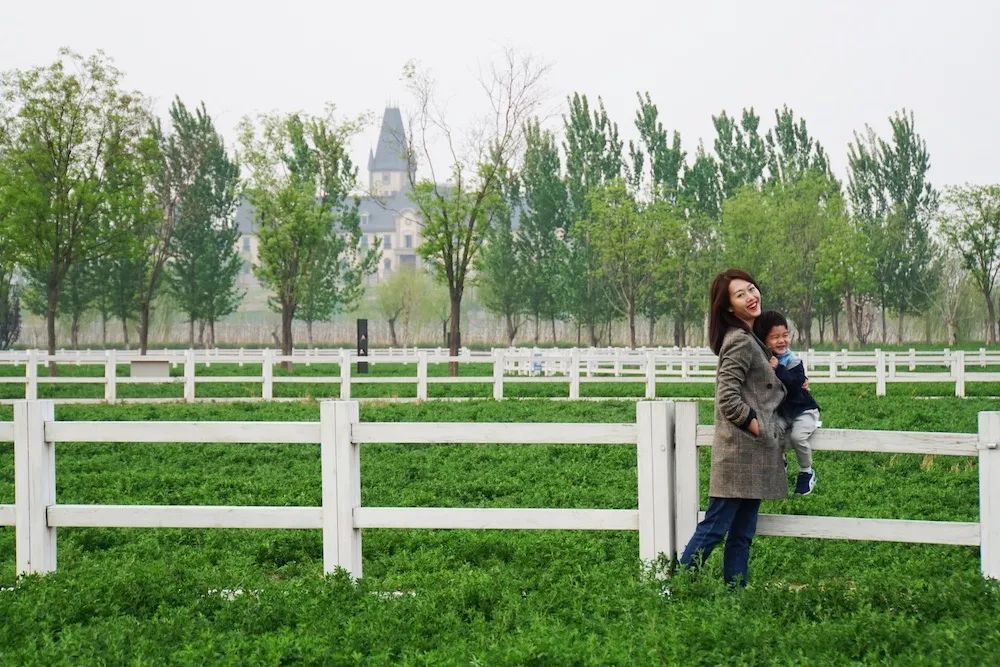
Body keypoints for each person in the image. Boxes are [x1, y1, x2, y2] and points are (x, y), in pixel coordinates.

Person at [678, 269, 787, 588]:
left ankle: (734, 597)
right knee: (714, 528)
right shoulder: (739, 341)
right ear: (728, 307)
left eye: (752, 289)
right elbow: (727, 398)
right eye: (740, 294)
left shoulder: (751, 338)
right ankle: (673, 589)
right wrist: (758, 428)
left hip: (751, 456)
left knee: (741, 534)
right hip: (740, 453)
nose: (751, 296)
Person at [753, 310, 820, 496]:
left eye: (785, 335)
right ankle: (779, 462)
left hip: (802, 410)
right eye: (775, 337)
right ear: (764, 340)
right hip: (782, 412)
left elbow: (794, 383)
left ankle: (807, 471)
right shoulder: (761, 361)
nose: (782, 340)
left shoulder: (792, 361)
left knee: (799, 437)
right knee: (771, 431)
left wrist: (778, 368)